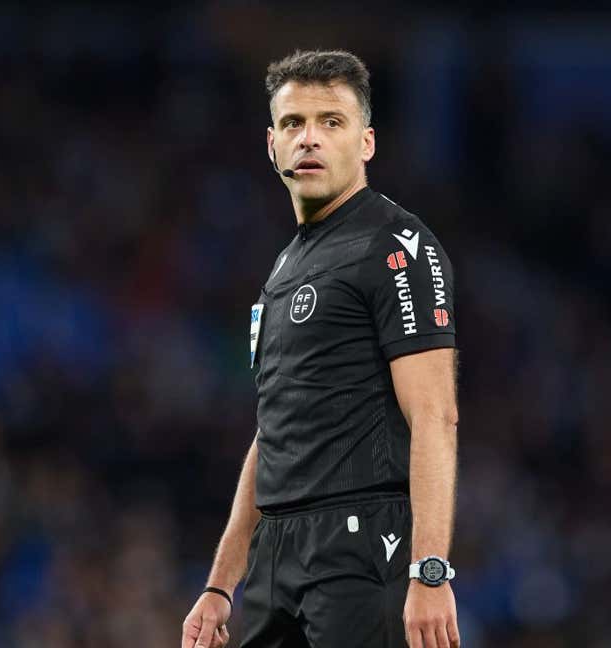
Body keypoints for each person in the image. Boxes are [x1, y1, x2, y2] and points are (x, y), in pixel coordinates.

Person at [181, 50, 461, 648]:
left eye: (331, 122)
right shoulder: (283, 269)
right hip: (274, 553)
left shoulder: (397, 245)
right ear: (271, 145)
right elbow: (273, 434)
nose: (309, 138)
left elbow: (436, 413)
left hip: (360, 549)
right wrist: (218, 586)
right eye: (293, 124)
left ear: (366, 143)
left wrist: (430, 569)